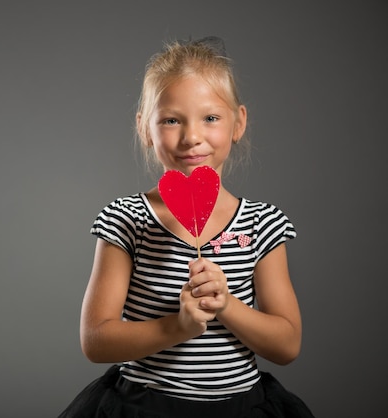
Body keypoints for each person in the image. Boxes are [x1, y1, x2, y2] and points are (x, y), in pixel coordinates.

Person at [58, 36, 314, 418]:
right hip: (145, 407)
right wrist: (176, 327)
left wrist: (226, 306)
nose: (192, 136)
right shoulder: (127, 219)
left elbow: (287, 344)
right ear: (145, 128)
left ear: (238, 123)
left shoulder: (262, 224)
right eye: (171, 120)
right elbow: (95, 340)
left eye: (211, 118)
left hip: (239, 408)